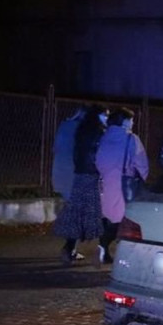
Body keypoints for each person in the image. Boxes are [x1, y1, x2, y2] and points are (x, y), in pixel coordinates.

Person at [53, 105, 109, 265]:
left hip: (80, 174)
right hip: (92, 175)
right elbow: (99, 155)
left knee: (78, 212)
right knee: (97, 212)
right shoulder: (99, 132)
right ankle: (102, 249)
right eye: (105, 115)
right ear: (98, 116)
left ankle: (70, 248)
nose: (107, 118)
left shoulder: (82, 130)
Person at [96, 107, 150, 265]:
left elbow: (98, 160)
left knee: (108, 217)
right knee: (124, 220)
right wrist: (141, 178)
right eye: (131, 120)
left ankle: (103, 249)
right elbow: (142, 164)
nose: (133, 123)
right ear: (125, 121)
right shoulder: (131, 139)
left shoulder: (104, 137)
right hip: (124, 184)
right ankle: (108, 246)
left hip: (106, 183)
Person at [50, 108, 86, 261]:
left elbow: (55, 148)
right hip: (74, 175)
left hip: (60, 174)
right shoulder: (81, 129)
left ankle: (70, 247)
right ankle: (69, 248)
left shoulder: (64, 126)